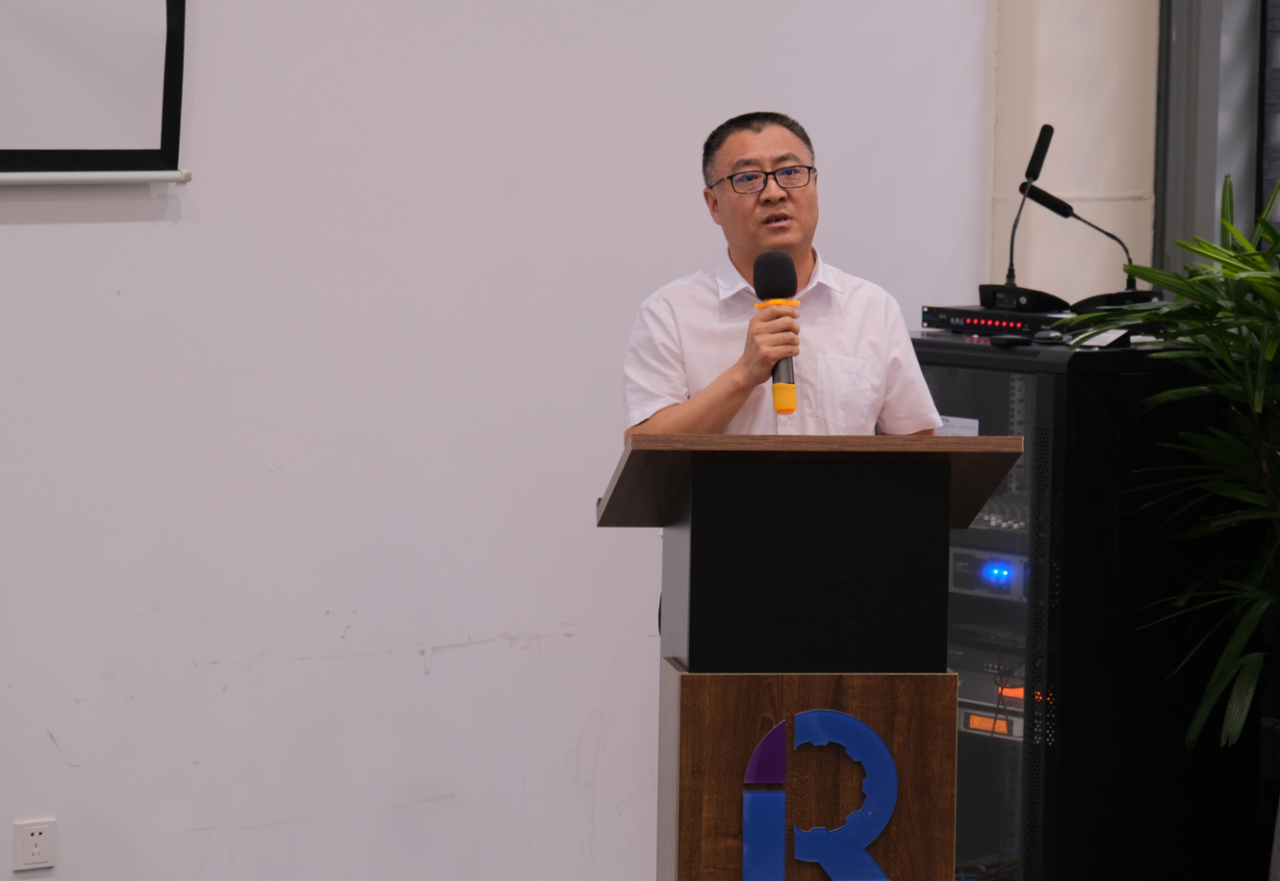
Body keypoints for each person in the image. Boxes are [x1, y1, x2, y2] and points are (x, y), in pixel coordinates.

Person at [622, 112, 941, 441]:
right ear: (714, 204)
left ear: (814, 185)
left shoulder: (872, 308)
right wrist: (744, 374)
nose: (773, 193)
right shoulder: (669, 313)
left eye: (790, 172)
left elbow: (916, 441)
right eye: (748, 178)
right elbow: (644, 447)